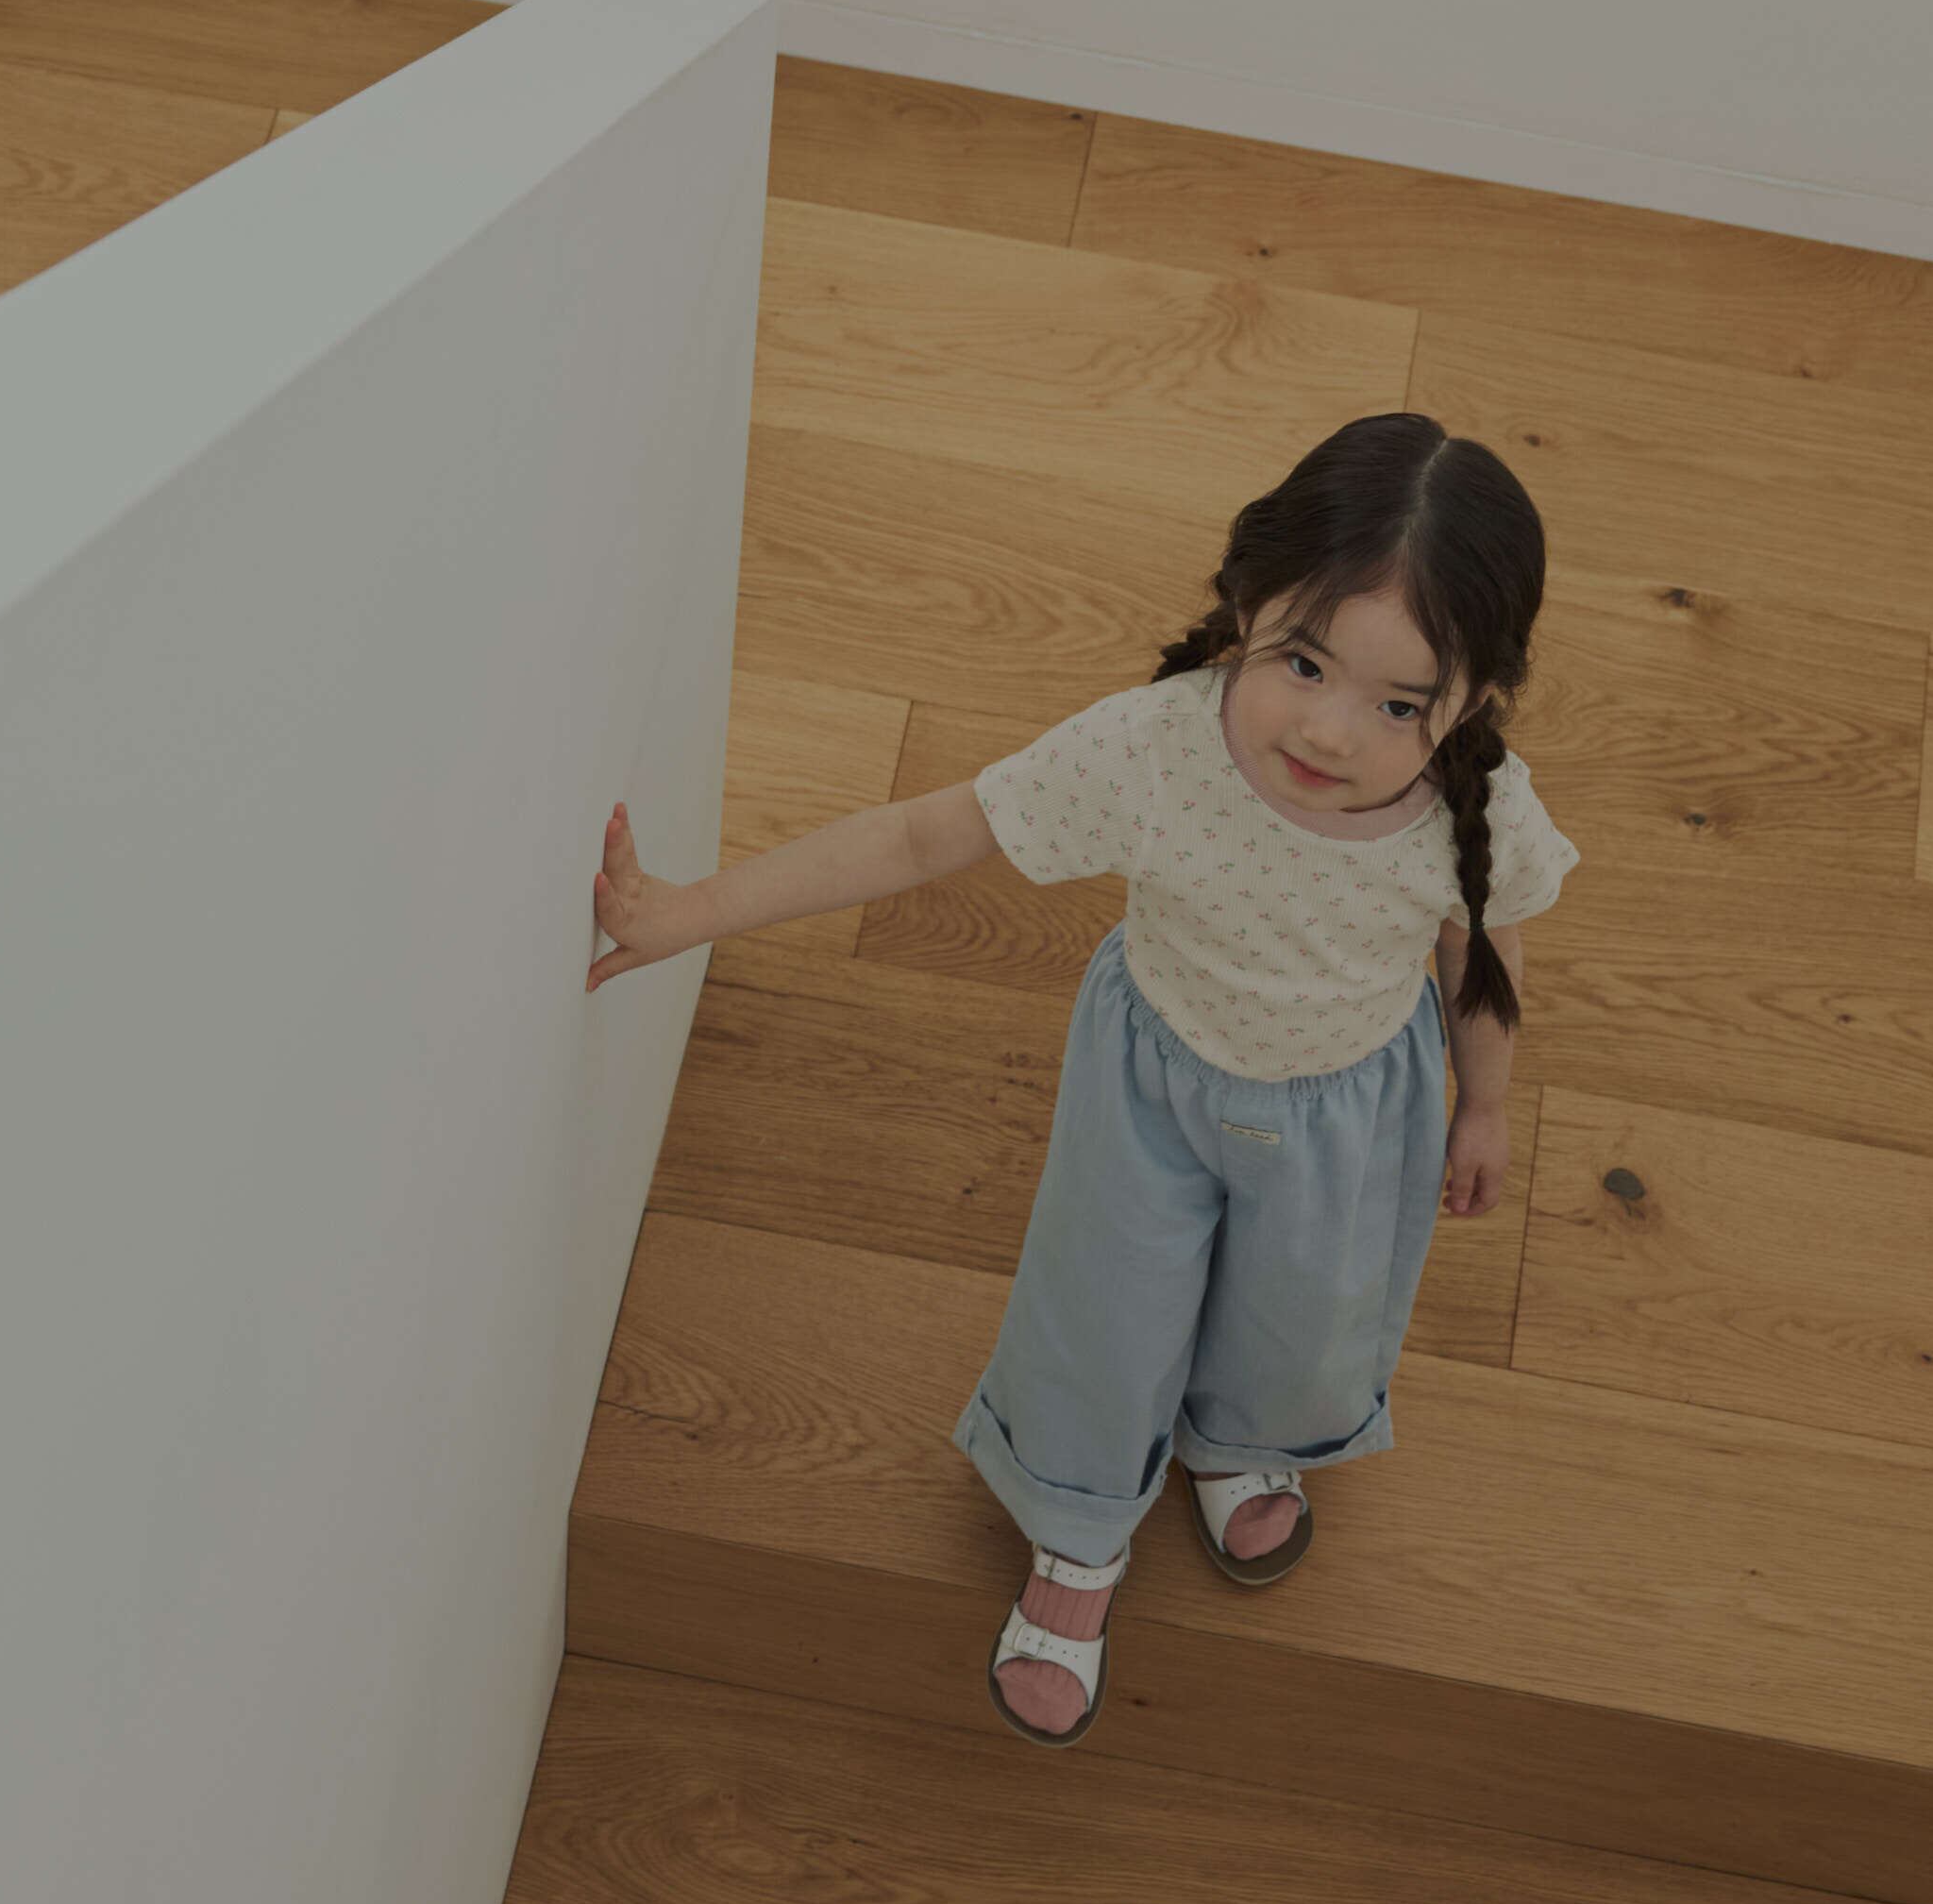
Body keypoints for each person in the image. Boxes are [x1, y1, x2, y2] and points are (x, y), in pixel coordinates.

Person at [588, 410, 1571, 1744]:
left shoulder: (1476, 807)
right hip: (1149, 1096)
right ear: (1247, 599)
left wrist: (1488, 1103)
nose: (1333, 732)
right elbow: (923, 836)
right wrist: (690, 913)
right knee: (1103, 1311)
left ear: (1473, 699)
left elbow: (1480, 953)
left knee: (1306, 1314)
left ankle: (1241, 1443)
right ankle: (1078, 1527)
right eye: (1302, 662)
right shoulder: (1151, 749)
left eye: (1400, 705)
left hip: (1349, 1113)